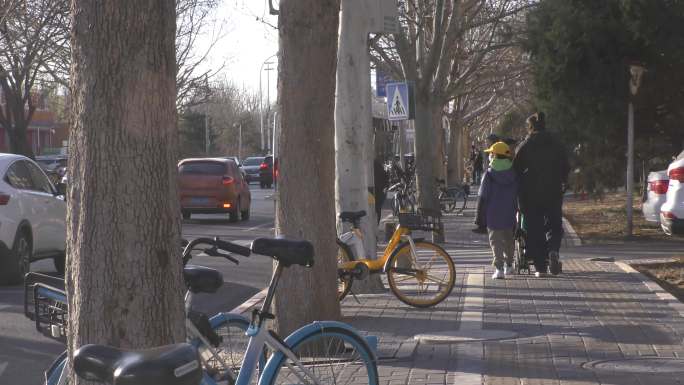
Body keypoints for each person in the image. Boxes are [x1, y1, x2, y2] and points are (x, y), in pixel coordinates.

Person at [513, 112, 570, 277]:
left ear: (530, 127)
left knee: (534, 229)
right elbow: (566, 166)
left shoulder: (525, 145)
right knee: (554, 225)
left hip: (530, 194)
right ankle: (553, 250)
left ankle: (540, 267)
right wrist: (562, 181)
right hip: (553, 191)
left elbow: (516, 170)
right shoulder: (557, 143)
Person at [476, 142, 518, 279]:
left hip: (493, 213)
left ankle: (499, 268)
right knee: (509, 239)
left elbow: (483, 196)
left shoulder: (489, 174)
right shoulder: (513, 172)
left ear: (494, 155)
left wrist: (479, 217)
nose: (490, 156)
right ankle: (509, 266)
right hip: (510, 212)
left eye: (491, 153)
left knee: (496, 241)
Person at [374, 158, 389, 224]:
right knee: (378, 208)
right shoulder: (378, 165)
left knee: (373, 207)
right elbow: (386, 177)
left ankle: (376, 223)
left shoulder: (370, 165)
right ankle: (377, 223)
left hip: (371, 191)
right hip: (379, 191)